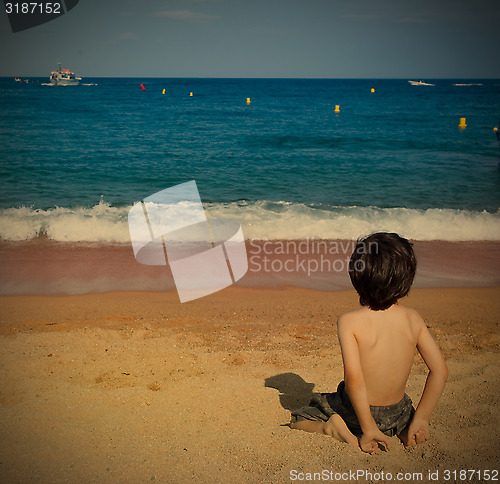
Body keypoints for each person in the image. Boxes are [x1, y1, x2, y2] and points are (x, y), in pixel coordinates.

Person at [290, 232, 448, 454]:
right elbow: (440, 371)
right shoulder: (413, 318)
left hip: (357, 413)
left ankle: (333, 429)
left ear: (357, 277)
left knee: (300, 417)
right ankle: (403, 430)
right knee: (404, 419)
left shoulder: (349, 322)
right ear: (407, 276)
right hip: (399, 412)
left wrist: (369, 428)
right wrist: (421, 417)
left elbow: (353, 380)